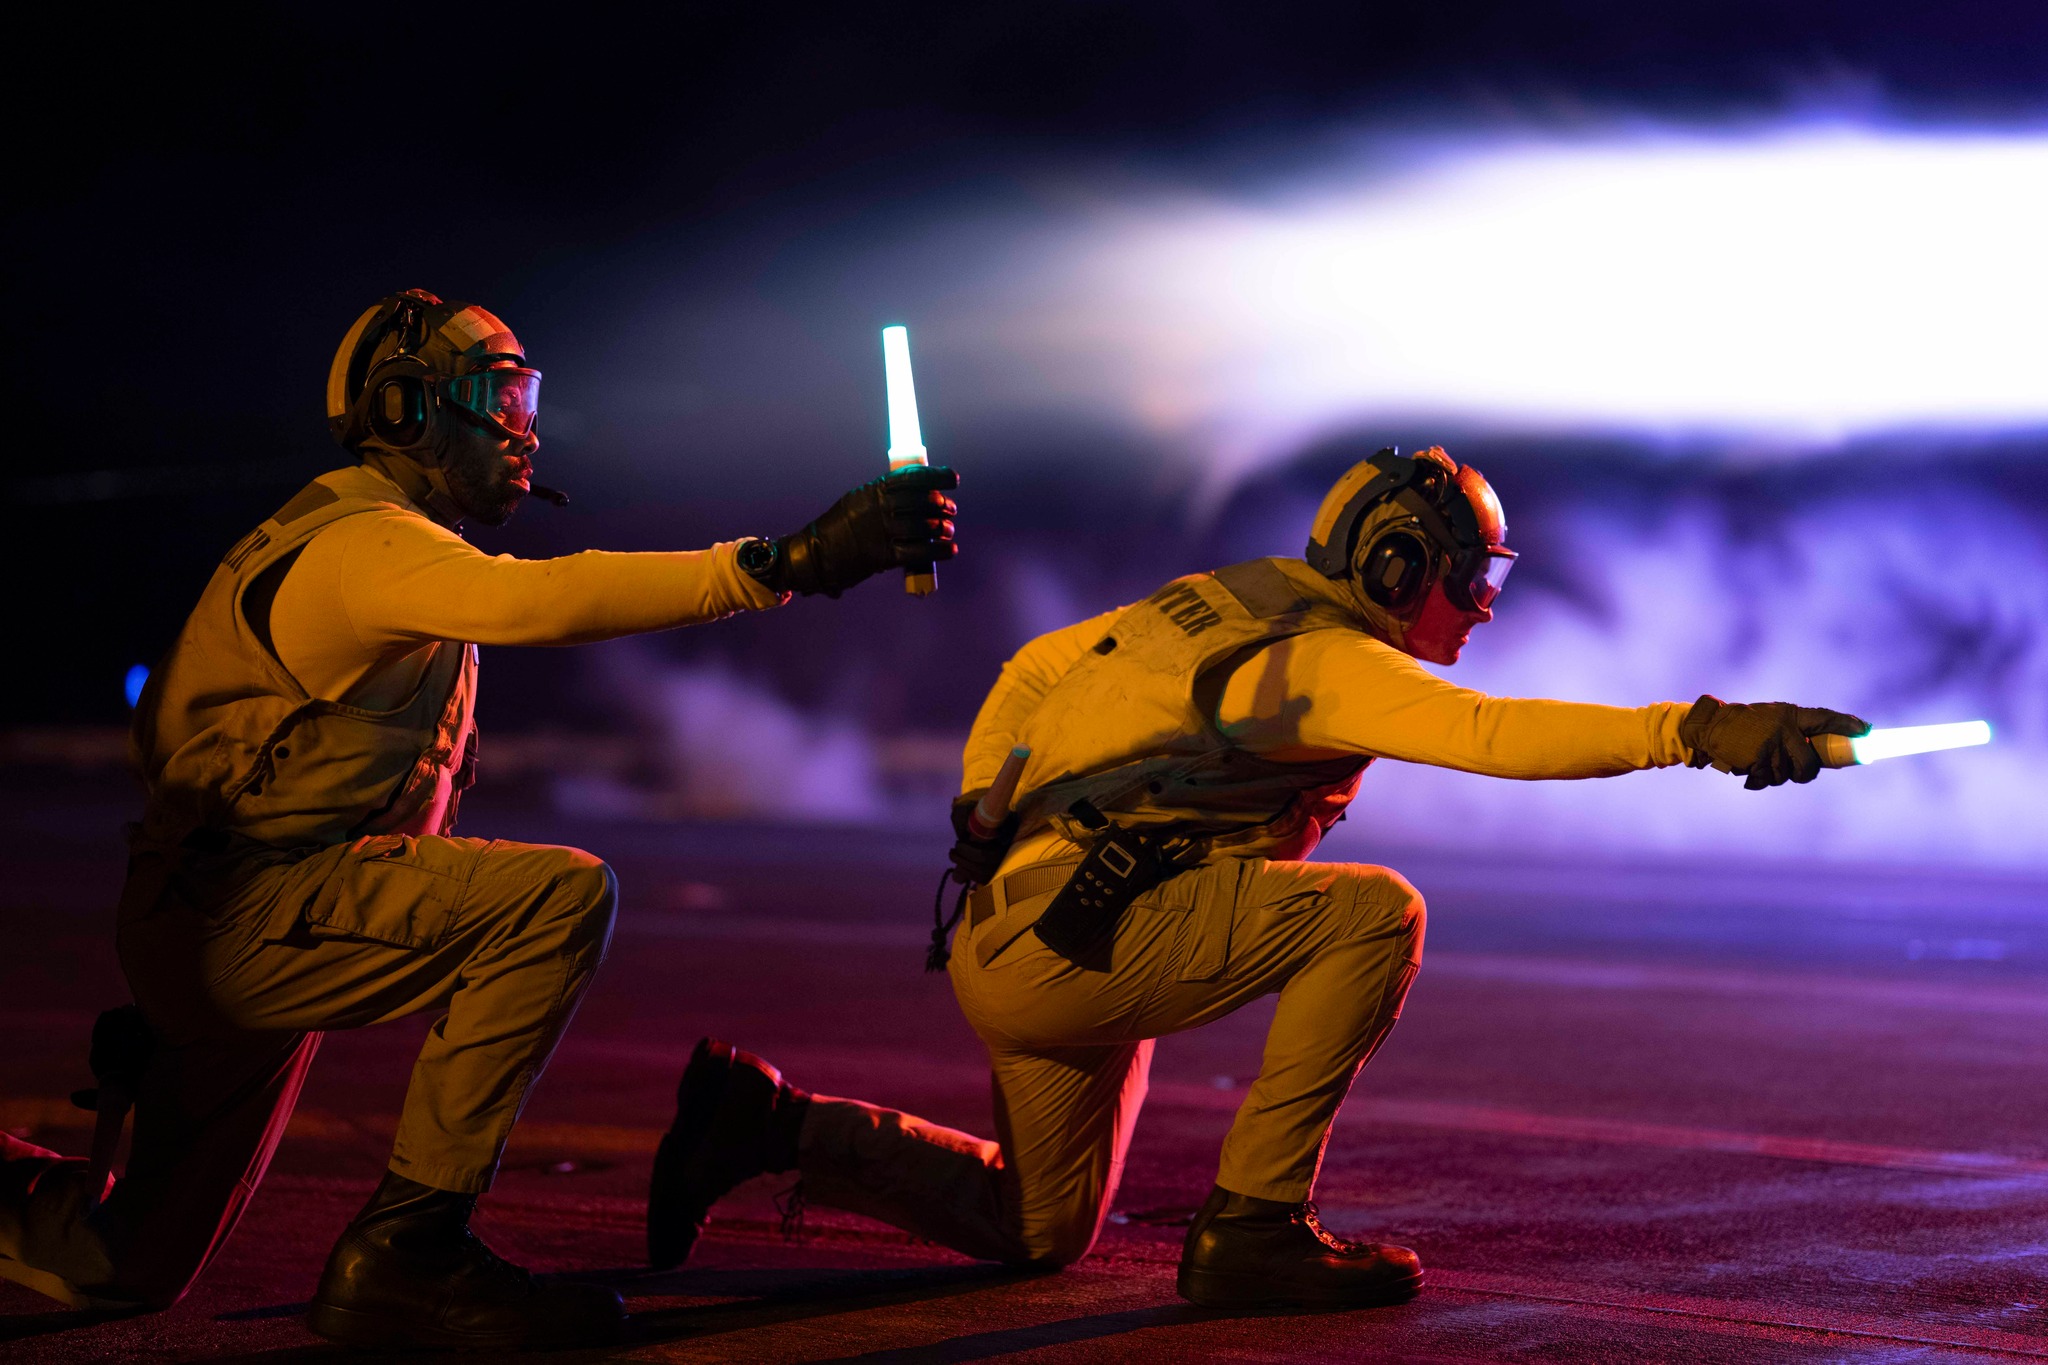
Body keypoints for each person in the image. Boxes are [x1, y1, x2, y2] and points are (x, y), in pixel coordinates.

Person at [644, 444, 1866, 1311]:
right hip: (1088, 941)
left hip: (1035, 926)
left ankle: (772, 1123)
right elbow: (1491, 735)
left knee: (1036, 1230)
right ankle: (1253, 1225)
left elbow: (1033, 667)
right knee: (1374, 917)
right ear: (1399, 565)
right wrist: (1695, 730)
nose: (1483, 610)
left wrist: (981, 797)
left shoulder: (1221, 600)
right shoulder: (1325, 662)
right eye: (1473, 579)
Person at [0, 289, 958, 1350]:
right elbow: (539, 600)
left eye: (526, 399)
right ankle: (408, 1253)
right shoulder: (365, 545)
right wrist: (788, 563)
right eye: (499, 398)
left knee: (121, 1265)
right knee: (552, 899)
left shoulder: (368, 540)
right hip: (252, 907)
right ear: (406, 411)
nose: (525, 429)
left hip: (221, 906)